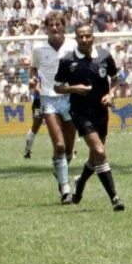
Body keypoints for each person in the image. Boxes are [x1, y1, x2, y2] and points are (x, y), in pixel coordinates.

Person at [56, 23, 124, 211]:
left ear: (93, 37)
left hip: (101, 112)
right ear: (75, 38)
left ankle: (80, 183)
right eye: (81, 36)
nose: (84, 39)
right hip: (79, 112)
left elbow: (116, 78)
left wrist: (111, 94)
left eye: (88, 36)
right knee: (100, 152)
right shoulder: (67, 61)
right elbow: (57, 86)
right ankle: (115, 198)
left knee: (95, 157)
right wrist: (73, 89)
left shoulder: (104, 56)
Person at [28, 13, 77, 198]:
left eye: (58, 25)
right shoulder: (38, 48)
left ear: (63, 26)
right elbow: (33, 68)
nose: (55, 28)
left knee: (69, 149)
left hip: (70, 98)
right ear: (46, 27)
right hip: (48, 98)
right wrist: (34, 81)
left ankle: (60, 168)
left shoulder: (73, 46)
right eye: (51, 25)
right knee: (59, 146)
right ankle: (65, 189)